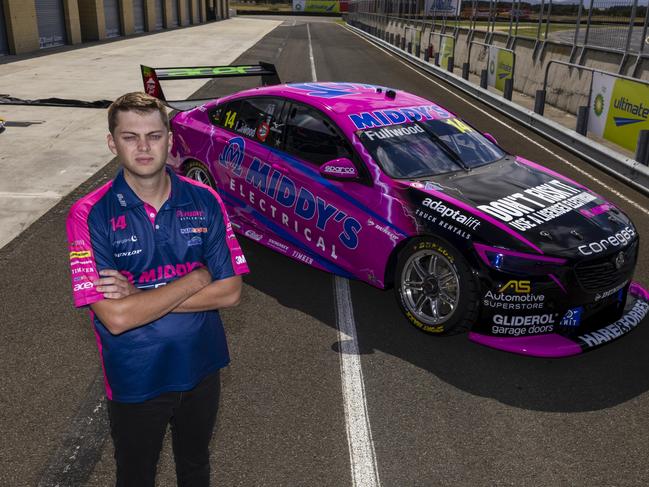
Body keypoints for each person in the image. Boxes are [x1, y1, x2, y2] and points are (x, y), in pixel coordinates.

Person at [66, 91, 249, 486]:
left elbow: (231, 292)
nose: (144, 147)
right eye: (130, 137)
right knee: (135, 477)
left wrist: (140, 296)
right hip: (136, 376)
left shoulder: (205, 200)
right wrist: (197, 278)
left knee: (196, 468)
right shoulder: (89, 214)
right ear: (112, 143)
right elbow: (116, 318)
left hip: (202, 367)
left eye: (154, 134)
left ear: (170, 138)